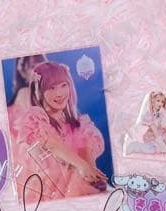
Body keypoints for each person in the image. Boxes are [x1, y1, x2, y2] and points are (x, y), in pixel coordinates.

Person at [8, 59, 108, 200]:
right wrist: (81, 165)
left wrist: (91, 175)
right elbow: (51, 144)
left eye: (63, 85)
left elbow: (86, 157)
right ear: (39, 91)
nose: (59, 93)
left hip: (75, 190)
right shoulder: (34, 118)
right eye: (51, 88)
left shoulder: (79, 124)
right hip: (47, 192)